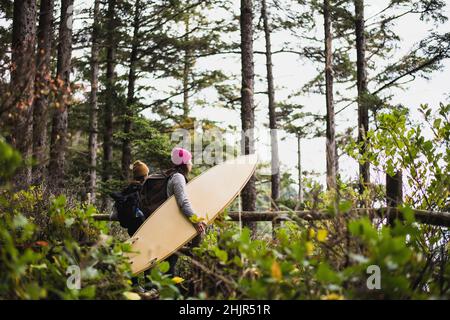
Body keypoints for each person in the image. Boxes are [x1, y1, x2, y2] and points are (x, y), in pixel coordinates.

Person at [165, 147, 207, 276]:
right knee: (171, 259)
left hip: (172, 223)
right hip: (173, 224)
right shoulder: (178, 177)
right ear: (184, 163)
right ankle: (166, 291)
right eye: (190, 161)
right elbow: (182, 202)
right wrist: (195, 220)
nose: (191, 164)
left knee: (170, 258)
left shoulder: (172, 175)